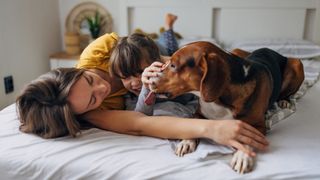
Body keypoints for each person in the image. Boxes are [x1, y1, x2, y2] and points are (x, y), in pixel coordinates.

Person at [16, 15, 268, 157]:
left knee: (168, 48)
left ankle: (168, 30)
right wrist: (213, 129)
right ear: (85, 111)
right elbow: (142, 124)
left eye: (90, 80)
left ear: (75, 71)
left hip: (157, 56)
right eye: (94, 100)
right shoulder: (96, 115)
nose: (103, 89)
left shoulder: (99, 50)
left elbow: (168, 63)